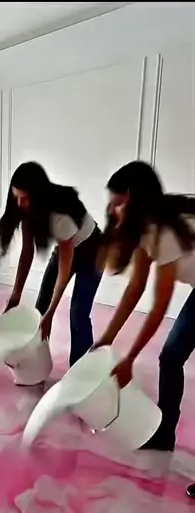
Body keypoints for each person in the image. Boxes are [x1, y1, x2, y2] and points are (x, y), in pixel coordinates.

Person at [94, 160, 195, 452]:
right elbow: (134, 289)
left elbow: (159, 306)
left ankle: (164, 435)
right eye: (112, 203)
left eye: (119, 204)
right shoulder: (144, 231)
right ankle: (165, 435)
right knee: (172, 357)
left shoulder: (164, 233)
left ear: (138, 203)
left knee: (171, 356)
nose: (113, 210)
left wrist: (129, 359)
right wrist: (106, 339)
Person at [0, 162, 103, 365]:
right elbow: (26, 254)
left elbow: (64, 271)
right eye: (16, 197)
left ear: (38, 195)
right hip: (67, 246)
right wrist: (15, 296)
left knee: (78, 314)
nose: (19, 203)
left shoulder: (60, 215)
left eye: (25, 198)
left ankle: (80, 370)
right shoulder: (27, 210)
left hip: (93, 250)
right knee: (41, 308)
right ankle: (37, 363)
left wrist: (51, 314)